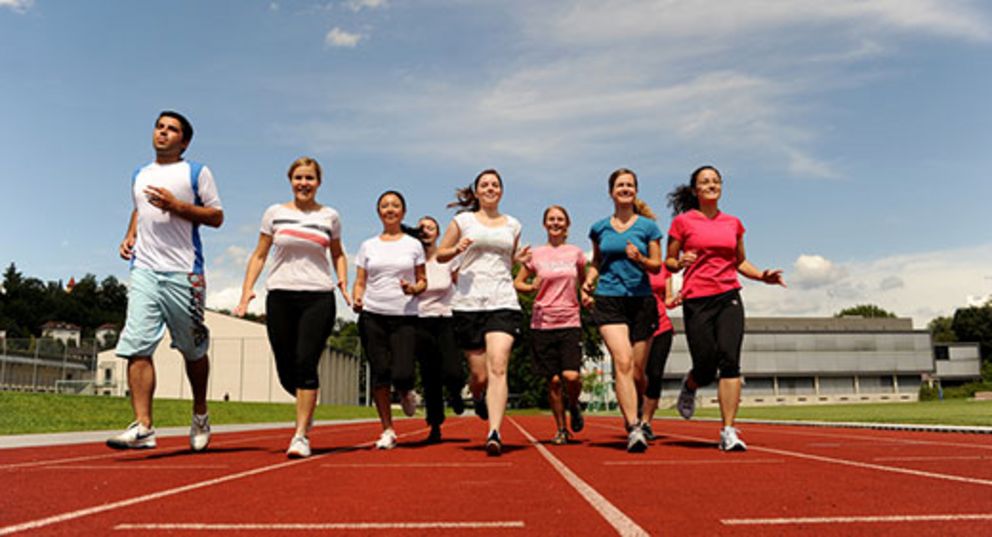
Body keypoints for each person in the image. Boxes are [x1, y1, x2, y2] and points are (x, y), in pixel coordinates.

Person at [110, 111, 223, 451]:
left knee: (192, 349)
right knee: (138, 345)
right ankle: (144, 426)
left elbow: (216, 216)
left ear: (184, 141)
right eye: (159, 127)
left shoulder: (196, 172)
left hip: (184, 272)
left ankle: (200, 413)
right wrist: (129, 236)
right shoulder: (139, 173)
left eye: (171, 129)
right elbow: (139, 209)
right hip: (143, 269)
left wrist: (177, 205)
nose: (163, 133)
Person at [232, 156, 349, 458]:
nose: (304, 183)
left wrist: (344, 283)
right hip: (280, 296)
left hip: (318, 296)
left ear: (318, 183)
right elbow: (259, 254)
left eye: (310, 178)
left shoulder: (330, 216)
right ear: (290, 180)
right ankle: (307, 402)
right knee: (287, 371)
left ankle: (300, 435)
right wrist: (246, 293)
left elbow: (338, 254)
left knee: (306, 362)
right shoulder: (274, 213)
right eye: (299, 178)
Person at [666, 165, 785, 451]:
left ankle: (728, 430)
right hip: (697, 298)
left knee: (730, 360)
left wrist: (762, 276)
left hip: (729, 295)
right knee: (706, 365)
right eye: (705, 182)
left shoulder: (733, 223)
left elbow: (740, 261)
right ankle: (692, 384)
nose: (711, 185)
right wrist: (680, 262)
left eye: (715, 181)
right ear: (695, 190)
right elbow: (669, 262)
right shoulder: (683, 222)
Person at [437, 169, 526, 456]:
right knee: (480, 375)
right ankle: (476, 394)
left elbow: (505, 260)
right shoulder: (463, 221)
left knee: (498, 365)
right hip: (468, 302)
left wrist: (518, 259)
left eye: (495, 184)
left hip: (502, 300)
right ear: (476, 192)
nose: (490, 188)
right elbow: (440, 254)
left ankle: (495, 432)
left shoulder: (513, 224)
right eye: (484, 185)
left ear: (501, 191)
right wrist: (456, 249)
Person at [581, 168, 662, 453]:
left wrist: (640, 258)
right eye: (620, 185)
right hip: (609, 300)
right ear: (611, 192)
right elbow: (597, 262)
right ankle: (633, 427)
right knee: (623, 362)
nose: (625, 189)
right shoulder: (599, 228)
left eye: (629, 185)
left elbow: (657, 265)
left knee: (638, 372)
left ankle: (642, 412)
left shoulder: (648, 227)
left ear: (635, 191)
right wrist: (590, 280)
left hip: (641, 301)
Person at [353, 191, 427, 450]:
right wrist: (357, 298)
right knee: (380, 374)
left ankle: (406, 390)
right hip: (373, 314)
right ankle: (387, 429)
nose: (390, 209)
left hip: (405, 315)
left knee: (403, 372)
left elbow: (422, 281)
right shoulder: (367, 246)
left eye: (395, 205)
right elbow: (360, 282)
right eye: (385, 206)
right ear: (379, 212)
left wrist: (413, 289)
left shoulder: (413, 245)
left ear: (403, 212)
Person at [514, 205, 590, 445]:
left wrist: (587, 293)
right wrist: (531, 287)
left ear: (566, 225)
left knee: (571, 376)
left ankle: (574, 404)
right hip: (542, 322)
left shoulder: (575, 252)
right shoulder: (535, 254)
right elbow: (518, 282)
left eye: (560, 219)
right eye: (551, 219)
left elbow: (584, 279)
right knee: (554, 381)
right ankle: (561, 429)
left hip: (570, 319)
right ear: (544, 224)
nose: (555, 223)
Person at [415, 215, 466, 444]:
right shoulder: (411, 260)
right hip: (420, 319)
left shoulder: (447, 259)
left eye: (431, 227)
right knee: (429, 375)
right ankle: (435, 424)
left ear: (438, 233)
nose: (426, 231)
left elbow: (460, 285)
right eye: (422, 227)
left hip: (446, 318)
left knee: (453, 370)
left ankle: (455, 392)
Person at [638, 265, 679, 441]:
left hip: (662, 327)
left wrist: (676, 299)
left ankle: (646, 423)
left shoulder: (664, 269)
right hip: (638, 328)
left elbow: (667, 299)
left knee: (655, 374)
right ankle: (635, 413)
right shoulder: (630, 265)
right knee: (637, 375)